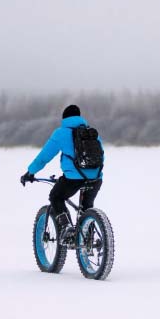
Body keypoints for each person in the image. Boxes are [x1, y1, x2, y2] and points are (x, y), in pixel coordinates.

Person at [20, 104, 104, 244]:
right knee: (86, 207)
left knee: (56, 196)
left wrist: (30, 172)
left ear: (64, 118)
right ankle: (88, 239)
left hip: (73, 179)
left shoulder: (61, 133)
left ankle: (66, 228)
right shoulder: (91, 133)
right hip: (95, 178)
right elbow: (101, 156)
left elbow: (43, 157)